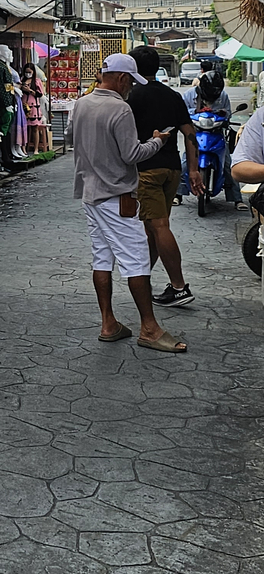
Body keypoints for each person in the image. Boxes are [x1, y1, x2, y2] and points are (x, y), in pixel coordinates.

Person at [69, 52, 186, 354]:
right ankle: (149, 328)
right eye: (130, 82)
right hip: (117, 195)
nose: (131, 88)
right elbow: (132, 155)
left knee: (101, 258)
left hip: (90, 193)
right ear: (122, 78)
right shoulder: (120, 110)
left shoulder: (81, 103)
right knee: (136, 261)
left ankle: (109, 323)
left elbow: (72, 138)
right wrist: (158, 141)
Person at [128, 46, 203, 308]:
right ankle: (141, 278)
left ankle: (180, 287)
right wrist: (193, 170)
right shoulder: (172, 95)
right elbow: (189, 133)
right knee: (154, 229)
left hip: (146, 169)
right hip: (172, 169)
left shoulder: (132, 96)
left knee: (158, 227)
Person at [178, 70, 243, 208]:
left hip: (216, 134)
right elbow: (182, 113)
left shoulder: (223, 96)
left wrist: (222, 114)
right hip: (195, 134)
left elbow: (228, 113)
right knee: (184, 163)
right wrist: (196, 112)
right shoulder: (189, 95)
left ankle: (237, 199)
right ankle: (178, 194)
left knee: (228, 164)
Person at [22, 62, 47, 154]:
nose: (27, 73)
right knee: (23, 128)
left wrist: (30, 90)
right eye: (26, 72)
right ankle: (24, 148)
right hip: (24, 105)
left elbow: (40, 94)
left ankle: (36, 149)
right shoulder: (22, 80)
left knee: (35, 128)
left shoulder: (37, 81)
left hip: (34, 106)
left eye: (29, 72)